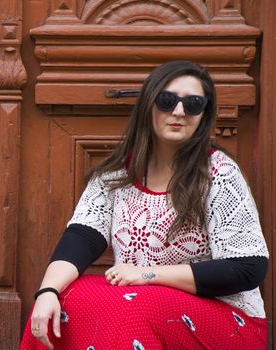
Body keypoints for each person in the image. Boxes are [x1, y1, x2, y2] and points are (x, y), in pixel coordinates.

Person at [19, 60, 269, 350]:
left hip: (225, 317)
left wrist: (148, 274)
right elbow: (81, 238)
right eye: (167, 100)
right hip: (141, 300)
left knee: (136, 311)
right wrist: (47, 291)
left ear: (204, 114)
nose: (178, 111)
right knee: (70, 296)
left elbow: (248, 268)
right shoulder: (117, 175)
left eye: (193, 104)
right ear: (148, 105)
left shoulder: (219, 174)